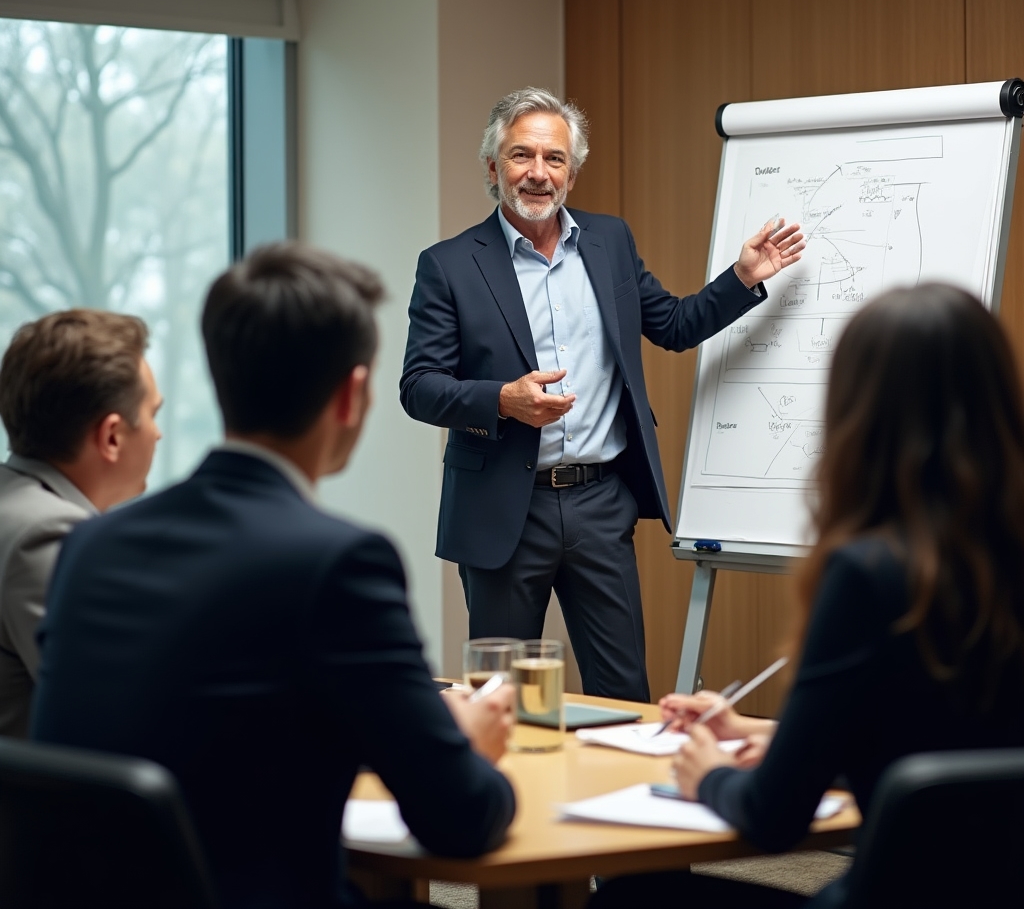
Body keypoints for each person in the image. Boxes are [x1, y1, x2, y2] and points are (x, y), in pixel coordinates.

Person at [32, 244, 517, 909]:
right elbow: (461, 819)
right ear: (352, 395)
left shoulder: (91, 544)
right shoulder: (339, 562)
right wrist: (471, 745)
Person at [591, 283, 1024, 908]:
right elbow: (953, 749)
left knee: (632, 899)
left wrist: (708, 775)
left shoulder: (868, 573)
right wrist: (771, 735)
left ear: (861, 412)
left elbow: (774, 818)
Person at [401, 86, 805, 701]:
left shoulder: (609, 241)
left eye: (554, 159)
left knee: (624, 694)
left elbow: (672, 325)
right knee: (501, 700)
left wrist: (743, 278)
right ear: (493, 168)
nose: (538, 173)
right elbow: (420, 387)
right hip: (504, 509)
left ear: (572, 170)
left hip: (600, 505)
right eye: (521, 156)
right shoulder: (450, 264)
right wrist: (504, 400)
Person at [0, 309, 161, 737]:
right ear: (112, 437)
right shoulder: (47, 534)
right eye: (152, 414)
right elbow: (115, 708)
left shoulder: (14, 504)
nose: (158, 434)